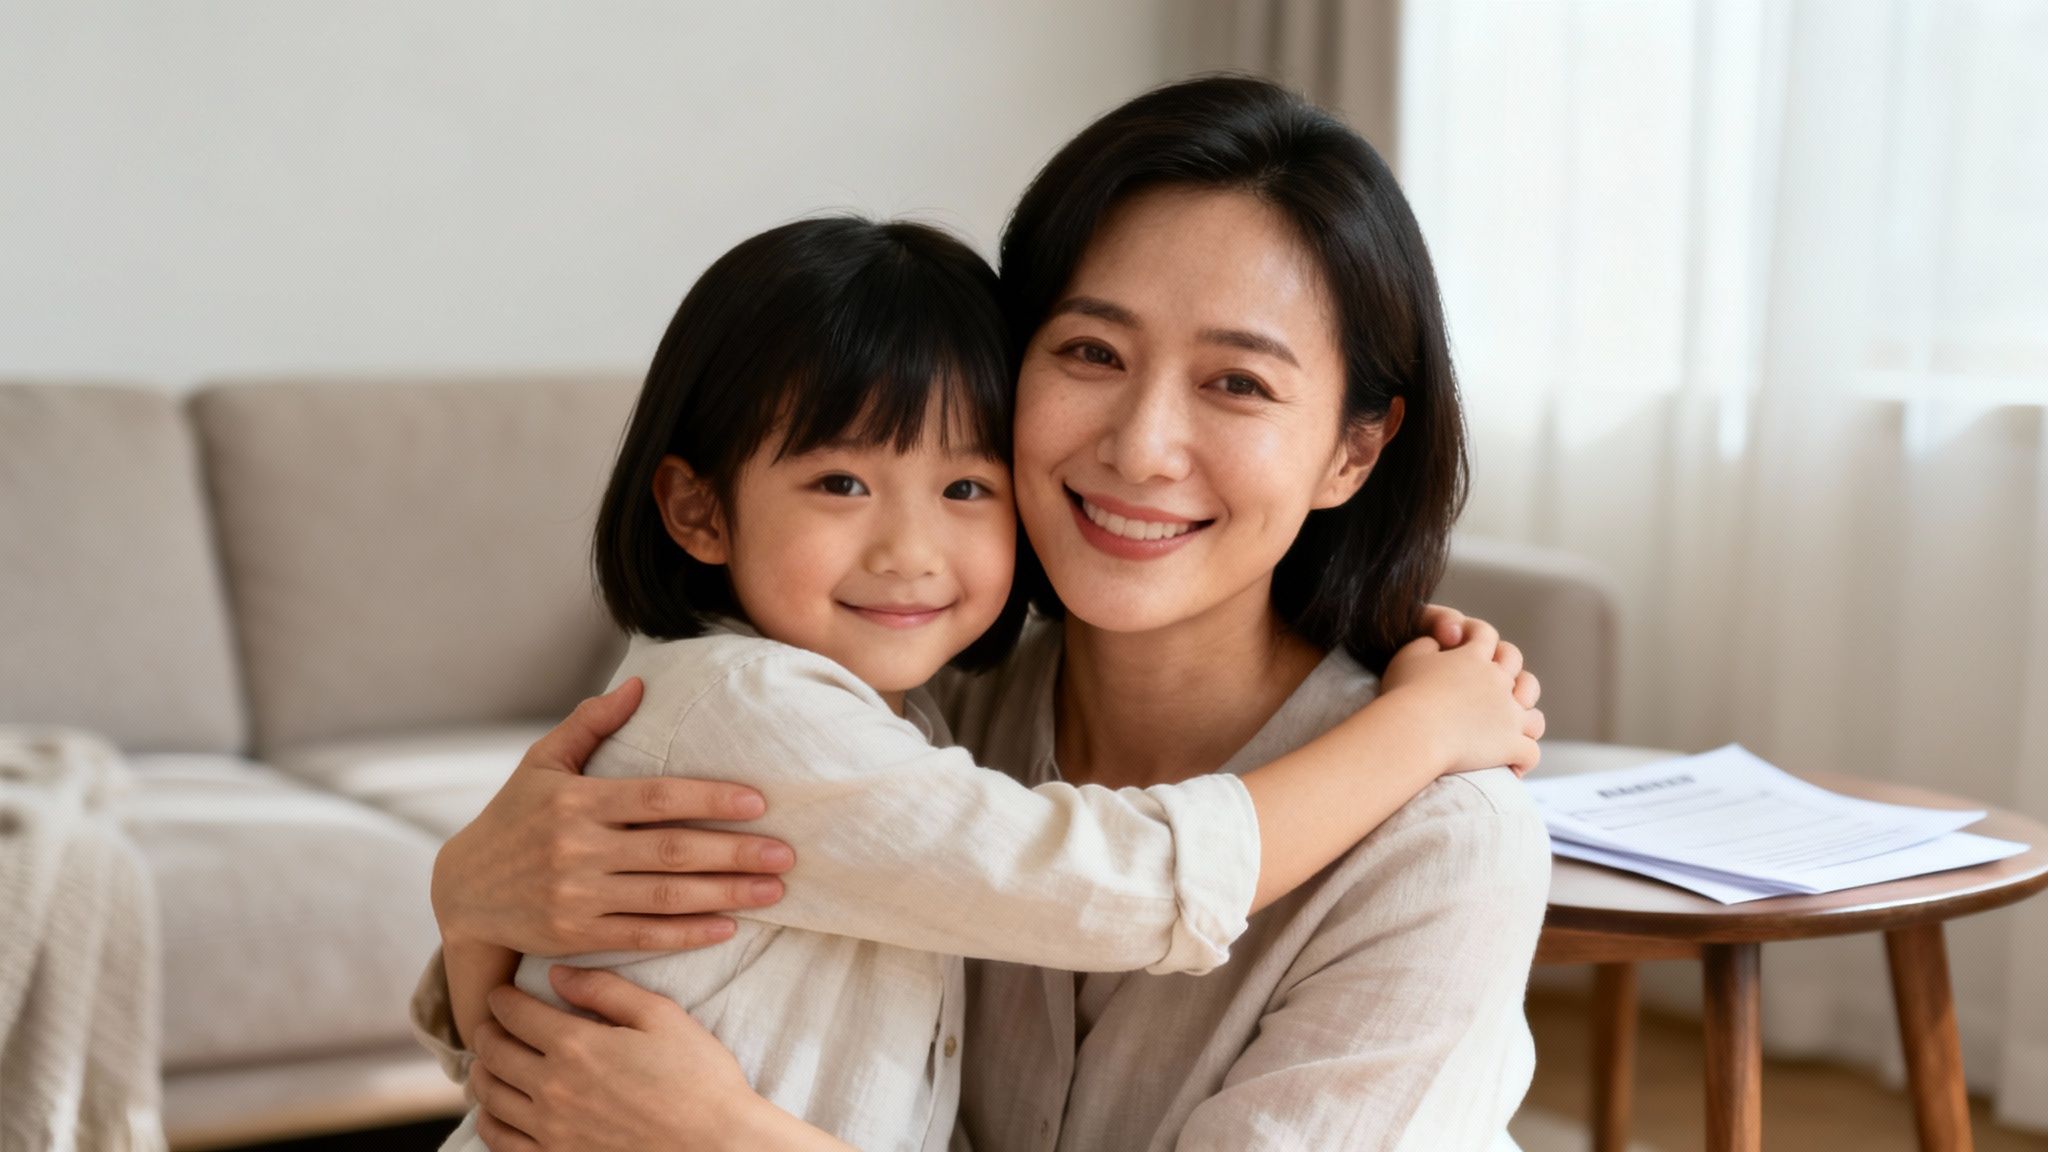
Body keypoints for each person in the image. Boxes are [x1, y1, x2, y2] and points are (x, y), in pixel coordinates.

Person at [415, 75, 1554, 1151]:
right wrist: (472, 902)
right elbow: (554, 1084)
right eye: (1091, 352)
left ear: (1353, 450)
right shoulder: (911, 698)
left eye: (1236, 383)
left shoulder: (1439, 848)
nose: (1139, 445)